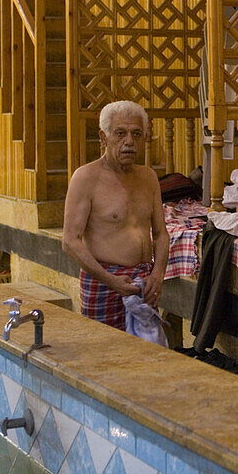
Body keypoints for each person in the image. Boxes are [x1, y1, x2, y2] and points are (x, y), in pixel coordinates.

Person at [62, 100, 169, 330]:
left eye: (136, 134)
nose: (129, 141)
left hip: (143, 280)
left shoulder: (148, 177)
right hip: (104, 281)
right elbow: (70, 241)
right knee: (104, 354)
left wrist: (157, 275)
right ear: (103, 138)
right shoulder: (85, 178)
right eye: (120, 133)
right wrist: (110, 280)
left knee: (145, 354)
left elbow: (160, 234)